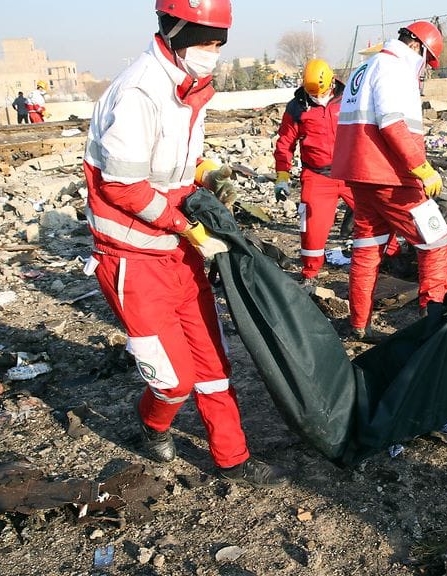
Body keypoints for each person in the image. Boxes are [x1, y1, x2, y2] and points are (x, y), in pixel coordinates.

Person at [83, 0, 286, 487]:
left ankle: (232, 457)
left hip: (177, 254)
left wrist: (208, 172)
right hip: (133, 258)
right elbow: (122, 187)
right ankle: (152, 422)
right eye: (205, 41)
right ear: (174, 30)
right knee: (173, 380)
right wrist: (185, 226)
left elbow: (173, 161)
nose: (212, 53)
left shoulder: (185, 89)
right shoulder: (139, 92)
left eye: (219, 43)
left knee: (213, 363)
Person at [332, 21, 447, 341]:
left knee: (367, 249)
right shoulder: (394, 67)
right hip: (392, 178)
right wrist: (421, 167)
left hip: (361, 177)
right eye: (427, 60)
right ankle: (434, 326)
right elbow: (392, 123)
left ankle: (359, 324)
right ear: (417, 47)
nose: (425, 68)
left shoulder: (365, 67)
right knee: (436, 241)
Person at [273, 59, 353, 290]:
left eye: (323, 91)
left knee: (378, 214)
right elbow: (285, 143)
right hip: (317, 176)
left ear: (332, 81)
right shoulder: (297, 106)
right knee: (311, 227)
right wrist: (282, 176)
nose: (319, 97)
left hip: (351, 172)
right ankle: (310, 272)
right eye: (313, 94)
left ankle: (391, 256)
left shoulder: (349, 98)